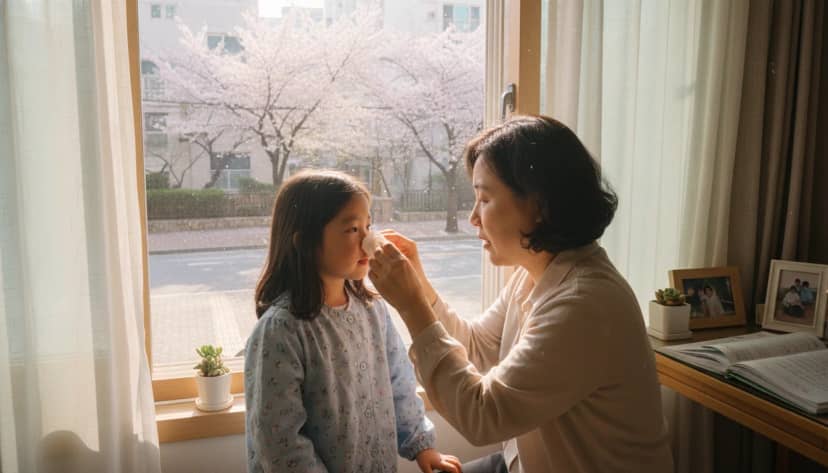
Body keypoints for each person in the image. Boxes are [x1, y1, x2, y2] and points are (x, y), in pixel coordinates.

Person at [369, 116, 673, 473]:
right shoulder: (536, 273)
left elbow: (483, 415)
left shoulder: (584, 303)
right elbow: (479, 348)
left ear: (539, 205)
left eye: (484, 198)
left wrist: (411, 305)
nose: (473, 218)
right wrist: (419, 284)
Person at [244, 170, 461, 473]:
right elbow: (280, 440)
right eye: (352, 229)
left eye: (369, 226)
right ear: (304, 242)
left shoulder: (374, 310)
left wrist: (421, 445)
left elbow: (399, 382)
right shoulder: (281, 330)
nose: (369, 240)